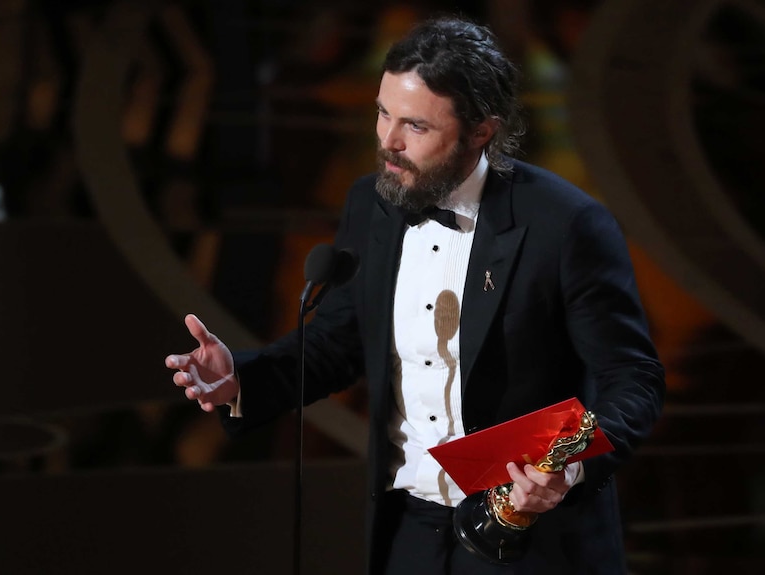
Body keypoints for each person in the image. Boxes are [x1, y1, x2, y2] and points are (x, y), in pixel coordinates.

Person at [166, 16, 664, 575]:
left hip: (528, 538)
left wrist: (564, 470)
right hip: (406, 531)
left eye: (416, 126)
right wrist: (242, 380)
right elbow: (341, 339)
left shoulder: (567, 225)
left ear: (482, 131)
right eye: (382, 113)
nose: (388, 142)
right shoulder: (371, 203)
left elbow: (632, 380)